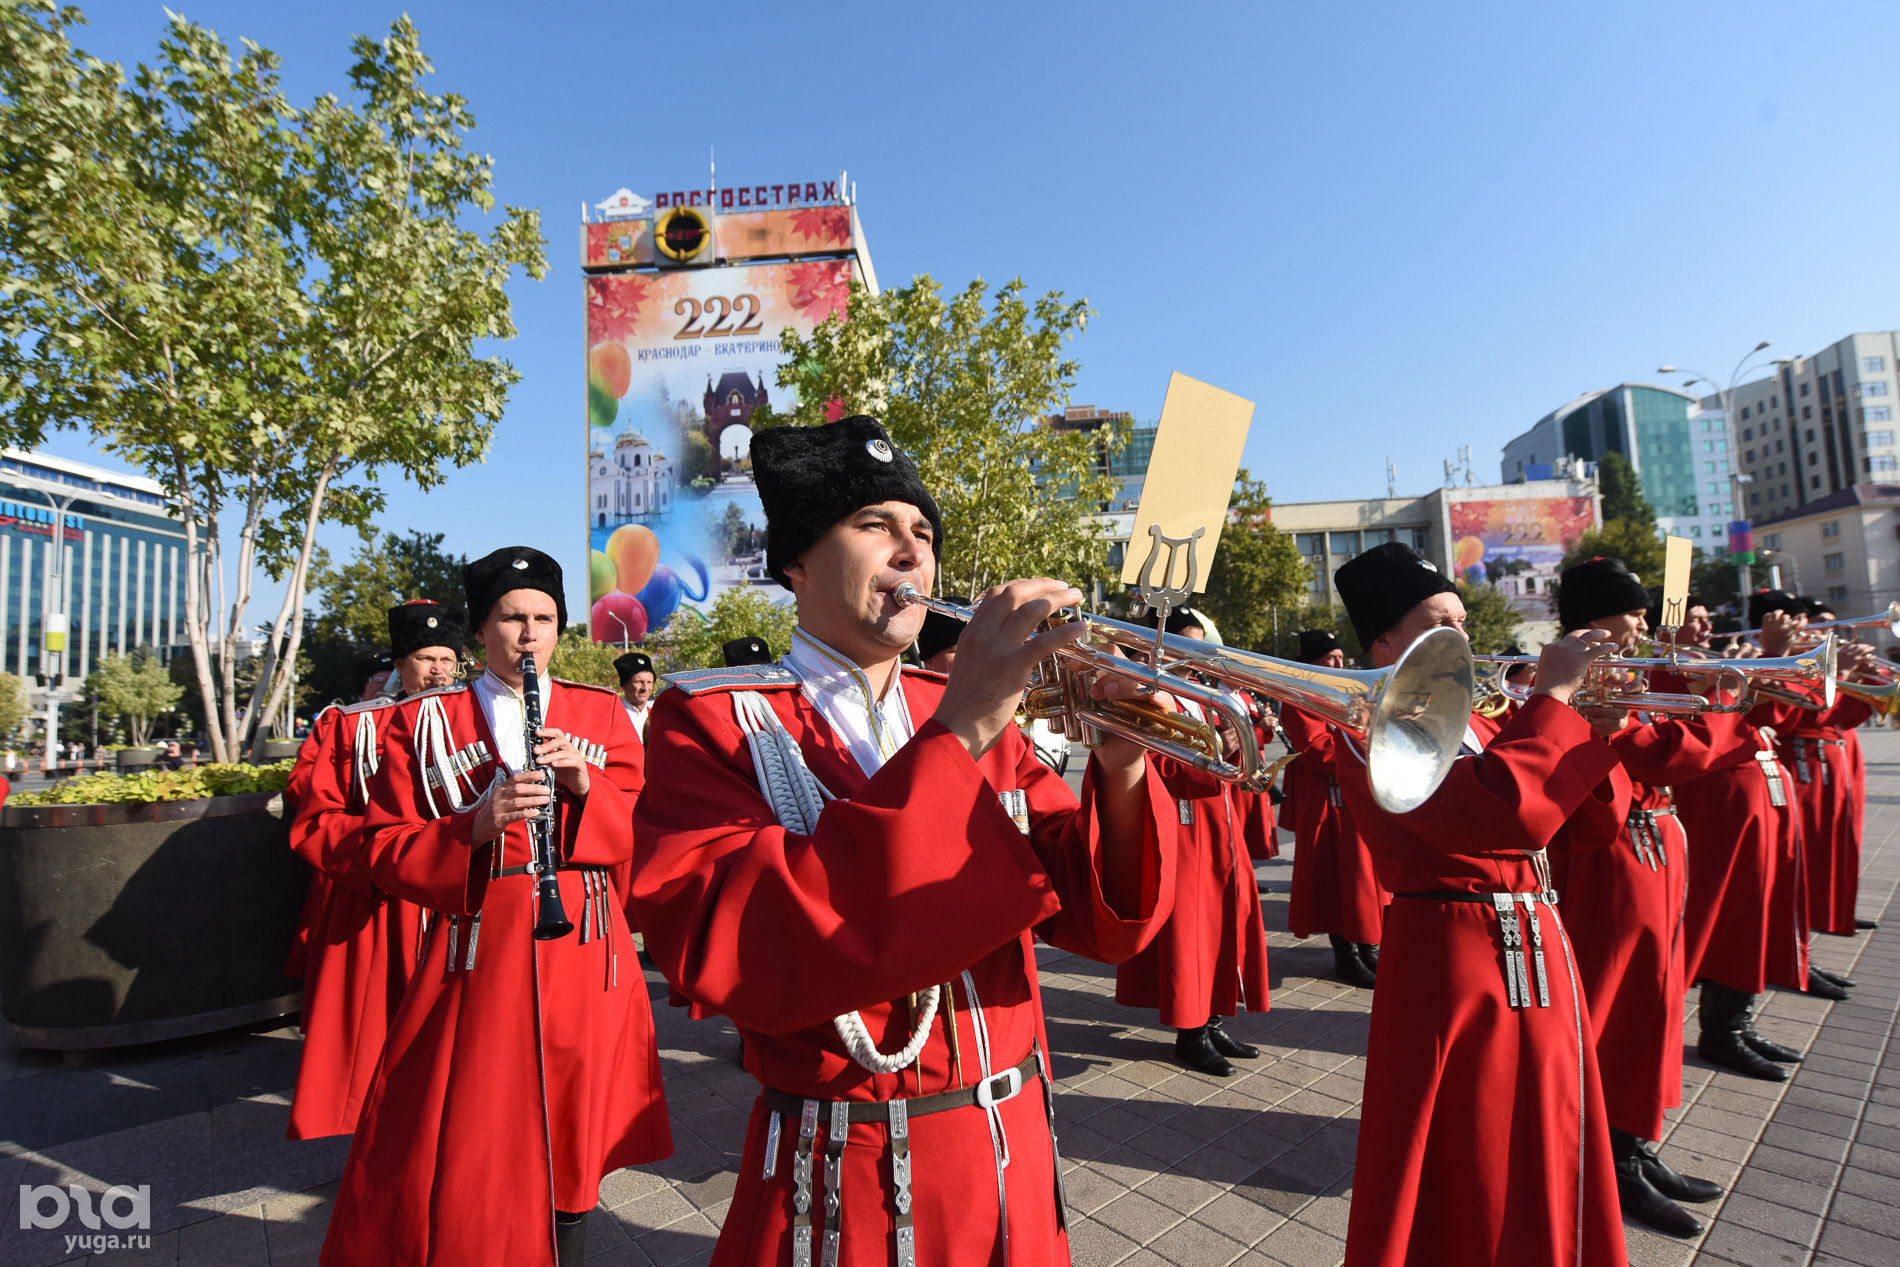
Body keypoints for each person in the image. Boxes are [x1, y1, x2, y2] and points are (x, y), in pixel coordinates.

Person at [629, 415, 1181, 1267]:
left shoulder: (959, 706)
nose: (910, 550)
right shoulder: (709, 719)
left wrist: (1123, 763)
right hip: (848, 1177)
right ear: (797, 561)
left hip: (1013, 1152)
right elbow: (737, 942)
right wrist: (957, 734)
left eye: (921, 532)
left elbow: (1104, 924)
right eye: (875, 525)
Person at [321, 548, 671, 1267]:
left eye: (544, 618)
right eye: (512, 617)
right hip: (478, 948)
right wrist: (470, 829)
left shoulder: (601, 712)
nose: (529, 633)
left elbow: (645, 828)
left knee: (575, 1133)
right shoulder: (422, 722)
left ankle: (566, 1244)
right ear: (480, 629)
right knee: (469, 1133)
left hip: (585, 948)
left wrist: (587, 788)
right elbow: (381, 847)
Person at [1329, 542, 1629, 1267]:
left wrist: (1602, 726)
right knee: (1474, 1161)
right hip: (1453, 957)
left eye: (1462, 620)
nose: (1463, 638)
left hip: (1531, 942)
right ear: (1387, 643)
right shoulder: (1368, 725)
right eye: (1442, 622)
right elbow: (1500, 813)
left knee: (1552, 1137)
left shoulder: (1482, 718)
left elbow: (1585, 823)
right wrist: (1551, 701)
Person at [1546, 559, 1739, 1238]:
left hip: (1651, 847)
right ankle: (1604, 1156)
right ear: (1594, 617)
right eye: (1631, 612)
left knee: (1653, 1001)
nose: (1642, 625)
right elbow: (1653, 754)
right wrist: (1728, 713)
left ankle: (1633, 1141)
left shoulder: (1620, 674)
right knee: (1614, 1004)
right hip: (1609, 856)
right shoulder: (1575, 682)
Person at [284, 600, 464, 1142]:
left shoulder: (474, 717)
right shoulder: (352, 726)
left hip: (459, 894)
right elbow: (316, 817)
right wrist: (387, 857)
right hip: (384, 902)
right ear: (399, 663)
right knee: (381, 1035)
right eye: (425, 658)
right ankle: (388, 1137)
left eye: (446, 658)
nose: (437, 669)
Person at [1114, 605, 1271, 1076]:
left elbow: (1239, 757)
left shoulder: (1206, 696)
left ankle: (1216, 1018)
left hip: (1222, 827)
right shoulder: (1151, 695)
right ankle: (1191, 1032)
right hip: (1185, 827)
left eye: (1200, 643)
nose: (1197, 654)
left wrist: (1240, 735)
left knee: (1230, 919)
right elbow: (1155, 767)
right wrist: (1215, 748)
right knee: (1193, 932)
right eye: (1187, 644)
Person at [1670, 593, 1811, 1082]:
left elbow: (1780, 719)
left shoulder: (1710, 663)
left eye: (1708, 619)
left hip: (1748, 800)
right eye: (1694, 621)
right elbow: (1693, 735)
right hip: (1710, 807)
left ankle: (1735, 1021)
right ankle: (1720, 1031)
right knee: (1723, 914)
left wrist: (1765, 673)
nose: (1706, 630)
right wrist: (1760, 664)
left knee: (1750, 909)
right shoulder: (1658, 669)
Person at [1281, 628, 1385, 987]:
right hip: (1328, 799)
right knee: (1339, 878)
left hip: (1355, 794)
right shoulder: (1299, 697)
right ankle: (1347, 955)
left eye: (1340, 657)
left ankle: (1370, 947)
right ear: (1313, 663)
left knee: (1364, 878)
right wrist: (1364, 747)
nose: (1340, 664)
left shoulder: (1348, 692)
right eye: (1331, 659)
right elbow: (1315, 749)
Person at [615, 650, 656, 739]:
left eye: (649, 682)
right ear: (624, 685)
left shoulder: (656, 716)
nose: (645, 688)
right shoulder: (614, 715)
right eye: (639, 682)